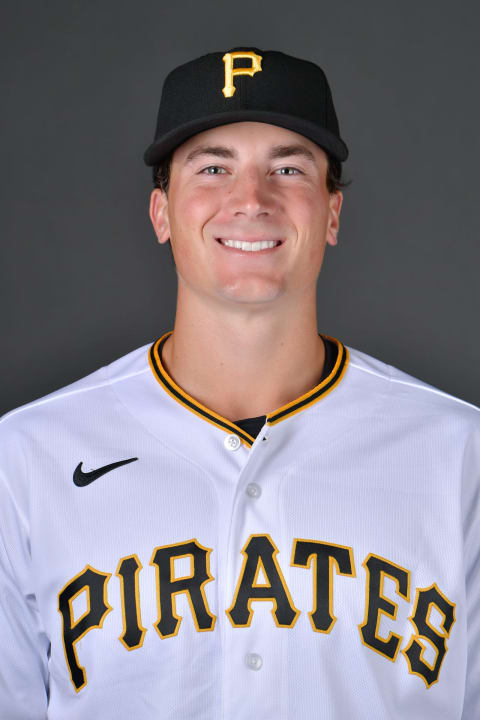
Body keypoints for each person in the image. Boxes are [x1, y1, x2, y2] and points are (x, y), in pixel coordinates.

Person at [0, 46, 478, 720]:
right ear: (161, 212)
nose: (251, 200)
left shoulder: (461, 456)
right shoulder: (25, 457)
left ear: (332, 212)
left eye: (288, 168)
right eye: (214, 167)